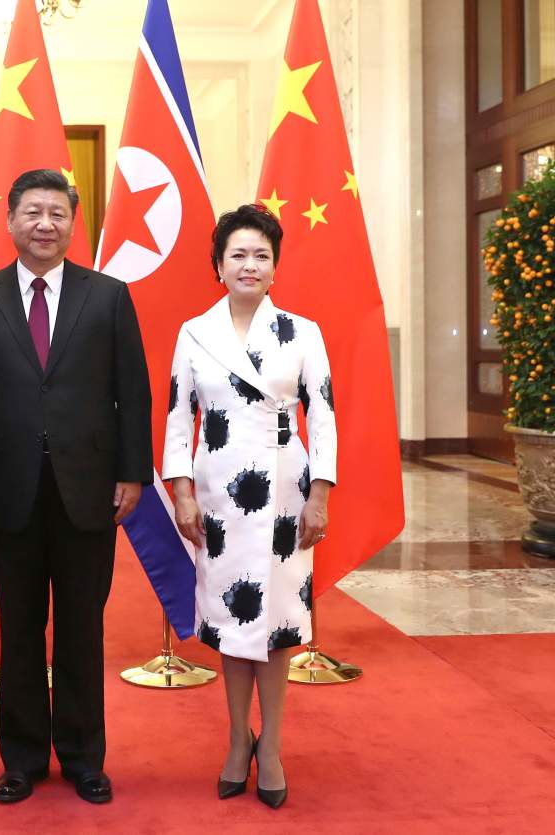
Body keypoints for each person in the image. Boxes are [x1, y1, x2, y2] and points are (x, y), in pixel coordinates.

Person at [0, 169, 153, 806]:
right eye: (32, 212)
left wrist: (131, 472)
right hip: (8, 489)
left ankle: (84, 758)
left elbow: (133, 391)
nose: (44, 224)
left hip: (89, 487)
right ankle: (22, 760)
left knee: (81, 630)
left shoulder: (109, 296)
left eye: (57, 213)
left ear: (73, 222)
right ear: (9, 221)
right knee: (18, 629)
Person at [163, 204, 337, 810]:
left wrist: (320, 494)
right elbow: (177, 419)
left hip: (287, 491)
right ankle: (238, 739)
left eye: (261, 254)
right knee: (231, 621)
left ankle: (273, 747)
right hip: (218, 495)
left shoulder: (303, 332)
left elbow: (325, 415)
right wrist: (181, 491)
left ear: (275, 267)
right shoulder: (194, 333)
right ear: (218, 264)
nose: (249, 264)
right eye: (237, 253)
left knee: (280, 622)